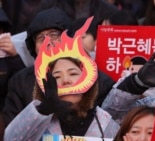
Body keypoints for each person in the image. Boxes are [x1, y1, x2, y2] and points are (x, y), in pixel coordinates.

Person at [1, 7, 115, 135]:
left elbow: (114, 121)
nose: (47, 42)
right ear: (33, 48)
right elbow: (10, 132)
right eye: (40, 38)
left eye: (53, 35)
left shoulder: (96, 78)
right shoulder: (20, 82)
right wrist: (41, 111)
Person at [4, 56, 119, 139]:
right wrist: (42, 111)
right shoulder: (37, 120)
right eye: (57, 76)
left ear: (89, 81)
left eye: (73, 74)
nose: (66, 81)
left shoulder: (106, 123)